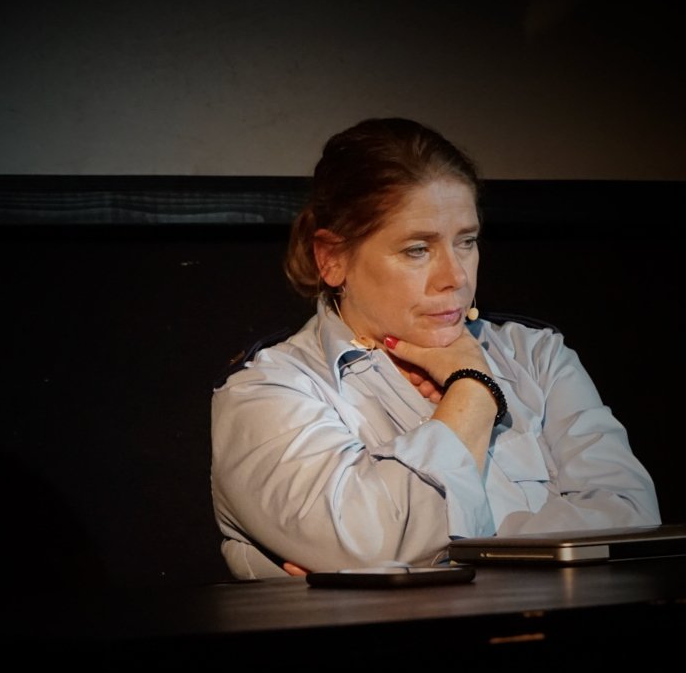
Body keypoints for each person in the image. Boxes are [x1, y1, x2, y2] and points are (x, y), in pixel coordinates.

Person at [211, 117, 660, 579]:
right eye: (417, 250)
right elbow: (373, 543)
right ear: (332, 258)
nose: (456, 276)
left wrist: (433, 561)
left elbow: (634, 522)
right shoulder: (269, 392)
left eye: (466, 241)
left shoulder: (537, 356)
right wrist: (474, 389)